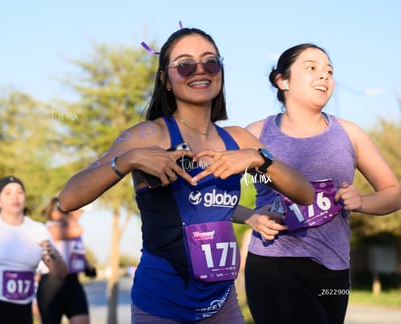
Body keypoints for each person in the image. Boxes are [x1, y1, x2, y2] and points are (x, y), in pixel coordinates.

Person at [58, 27, 314, 323]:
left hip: (221, 304)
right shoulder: (147, 134)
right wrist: (127, 160)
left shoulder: (239, 138)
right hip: (161, 304)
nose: (199, 71)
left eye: (210, 62)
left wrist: (259, 160)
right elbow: (67, 199)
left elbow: (304, 193)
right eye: (185, 65)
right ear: (165, 79)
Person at [243, 43, 401, 324]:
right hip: (273, 263)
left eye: (329, 70)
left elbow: (393, 193)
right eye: (312, 68)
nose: (324, 76)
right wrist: (250, 217)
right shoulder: (255, 134)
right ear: (283, 80)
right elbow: (214, 193)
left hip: (334, 270)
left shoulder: (349, 134)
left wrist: (362, 202)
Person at [0, 176, 67, 324]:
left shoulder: (38, 230)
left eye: (19, 192)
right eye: (8, 193)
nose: (15, 197)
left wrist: (53, 254)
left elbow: (60, 272)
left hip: (23, 311)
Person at [36, 197, 97, 324]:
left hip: (73, 282)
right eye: (79, 211)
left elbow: (76, 251)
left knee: (82, 320)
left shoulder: (70, 227)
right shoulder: (53, 227)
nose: (81, 214)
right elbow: (77, 231)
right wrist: (62, 215)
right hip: (52, 283)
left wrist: (87, 266)